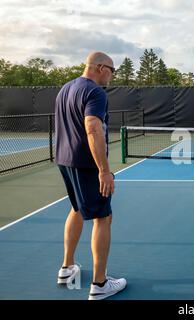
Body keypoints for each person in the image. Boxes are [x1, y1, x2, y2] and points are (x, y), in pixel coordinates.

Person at [55, 52, 126, 299]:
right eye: (111, 69)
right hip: (87, 165)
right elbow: (92, 128)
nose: (112, 75)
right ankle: (99, 284)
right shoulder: (96, 92)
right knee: (103, 218)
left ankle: (67, 267)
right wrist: (104, 171)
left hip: (65, 161)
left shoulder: (65, 88)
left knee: (76, 208)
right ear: (99, 67)